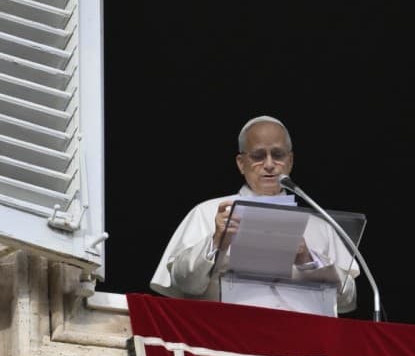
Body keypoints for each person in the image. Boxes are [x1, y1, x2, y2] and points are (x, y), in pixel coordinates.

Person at [150, 115, 359, 314]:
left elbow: (346, 300)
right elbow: (184, 284)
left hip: (303, 335)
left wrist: (309, 260)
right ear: (241, 163)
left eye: (278, 155)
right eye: (258, 156)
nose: (269, 164)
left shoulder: (320, 225)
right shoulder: (208, 213)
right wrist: (215, 243)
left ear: (290, 161)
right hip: (229, 333)